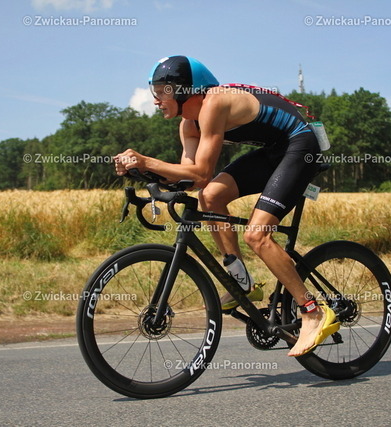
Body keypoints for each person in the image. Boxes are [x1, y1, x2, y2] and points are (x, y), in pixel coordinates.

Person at [114, 55, 339, 357]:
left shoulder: (214, 103)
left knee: (257, 235)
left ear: (185, 90)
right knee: (209, 198)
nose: (156, 100)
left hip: (300, 145)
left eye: (162, 92)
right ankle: (242, 282)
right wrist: (144, 174)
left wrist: (147, 161)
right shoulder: (188, 126)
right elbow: (189, 179)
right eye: (154, 92)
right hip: (274, 151)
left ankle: (313, 311)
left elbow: (202, 173)